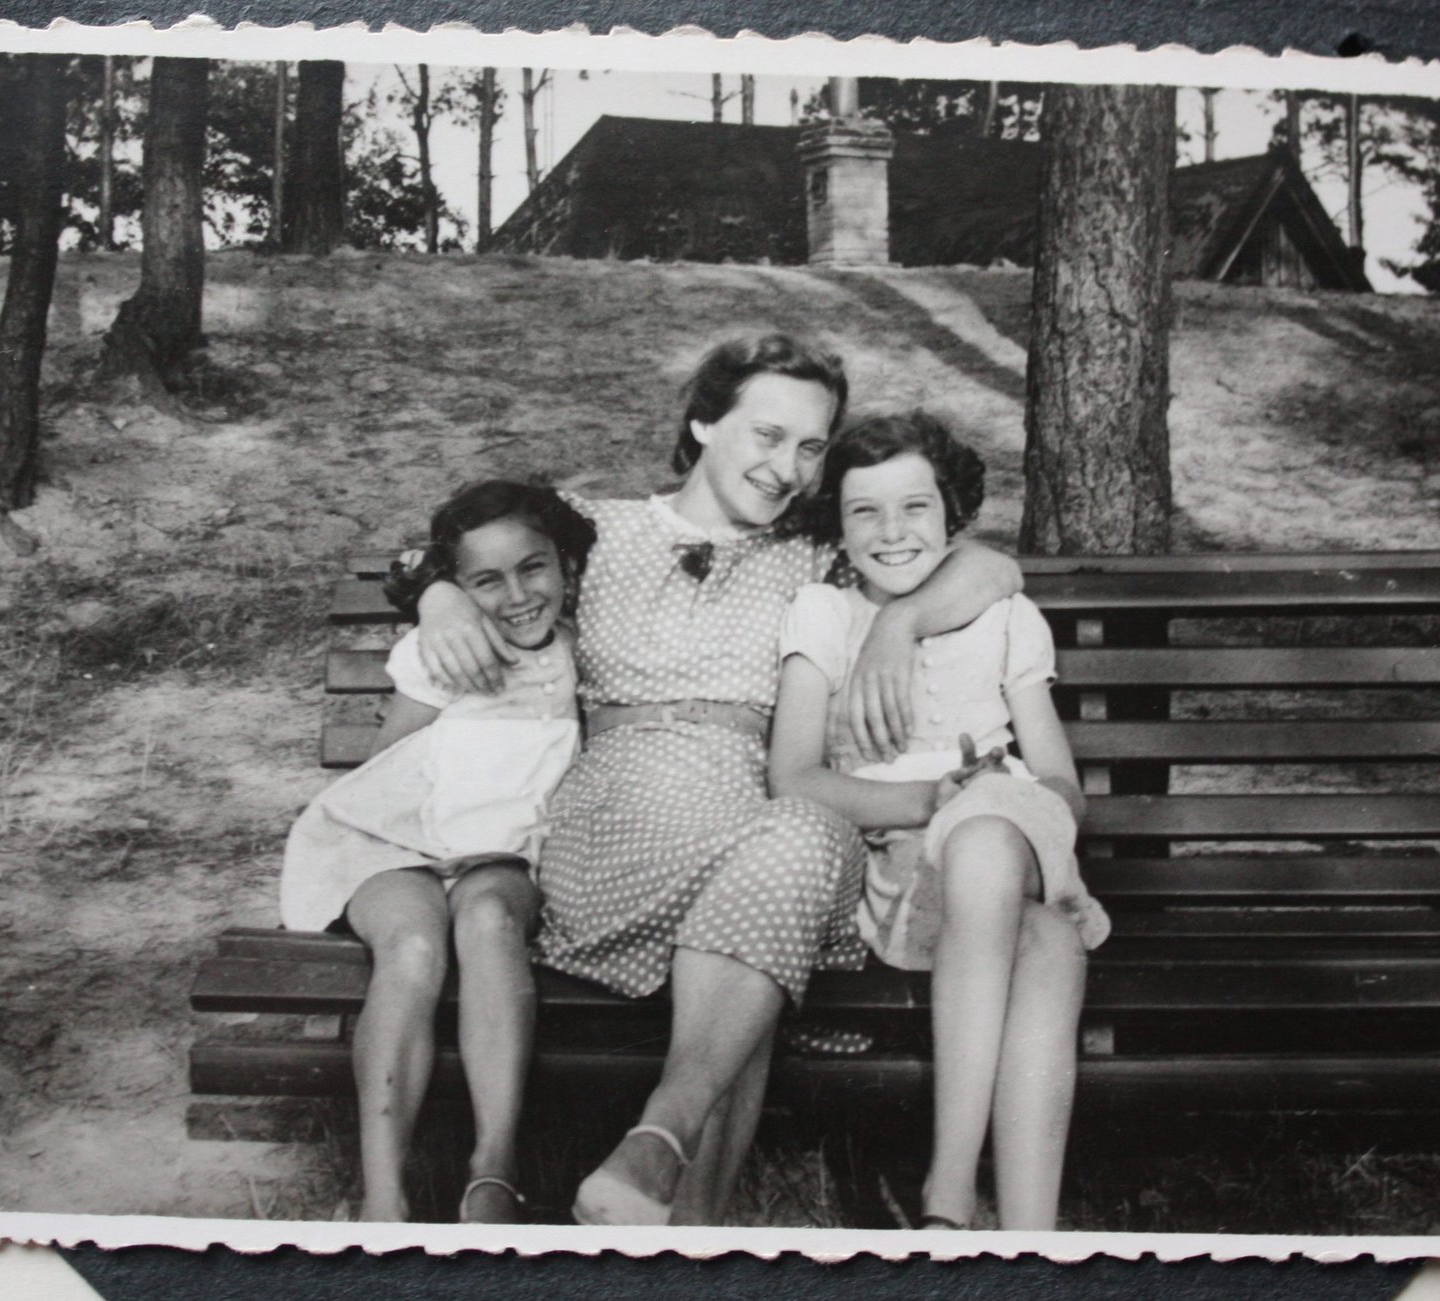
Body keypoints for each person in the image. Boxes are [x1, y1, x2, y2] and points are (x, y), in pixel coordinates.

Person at [411, 335, 1025, 1226]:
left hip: (758, 821)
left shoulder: (816, 550)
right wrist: (437, 596)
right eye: (768, 435)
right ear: (703, 422)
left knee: (800, 838)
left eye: (811, 447)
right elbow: (436, 549)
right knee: (771, 892)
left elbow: (994, 566)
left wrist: (901, 623)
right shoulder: (597, 528)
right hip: (620, 818)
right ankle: (683, 1205)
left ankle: (658, 1143)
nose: (788, 468)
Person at [767, 411, 1108, 1231]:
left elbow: (1062, 785)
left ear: (951, 512)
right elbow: (794, 777)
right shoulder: (825, 612)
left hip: (1013, 836)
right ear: (837, 525)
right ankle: (1029, 1246)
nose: (892, 531)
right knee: (1048, 944)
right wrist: (931, 801)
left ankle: (948, 1192)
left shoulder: (1003, 614)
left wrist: (998, 802)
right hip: (911, 870)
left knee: (987, 834)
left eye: (914, 507)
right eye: (865, 511)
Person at [279, 480, 597, 1224]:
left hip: (504, 850)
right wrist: (437, 600)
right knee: (415, 947)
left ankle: (493, 1169)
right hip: (396, 840)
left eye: (534, 567)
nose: (517, 595)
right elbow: (390, 766)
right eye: (486, 580)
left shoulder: (582, 649)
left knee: (488, 922)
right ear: (459, 585)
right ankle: (383, 1197)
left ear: (564, 565)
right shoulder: (446, 648)